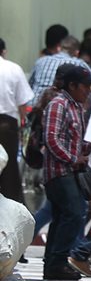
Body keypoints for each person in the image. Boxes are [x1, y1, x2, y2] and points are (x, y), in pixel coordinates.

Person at [42, 64, 91, 280]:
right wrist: (73, 159)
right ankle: (58, 261)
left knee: (61, 216)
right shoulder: (59, 104)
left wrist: (87, 148)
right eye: (84, 86)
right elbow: (51, 138)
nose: (88, 90)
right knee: (76, 212)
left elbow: (71, 140)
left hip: (69, 171)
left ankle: (53, 265)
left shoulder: (76, 107)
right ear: (72, 85)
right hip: (58, 172)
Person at [0, 37, 33, 204]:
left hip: (8, 124)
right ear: (3, 51)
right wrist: (23, 126)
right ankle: (11, 207)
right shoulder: (13, 69)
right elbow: (23, 103)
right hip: (7, 126)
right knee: (9, 169)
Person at [29, 24, 74, 100]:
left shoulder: (40, 61)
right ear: (61, 45)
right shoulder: (72, 62)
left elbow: (30, 85)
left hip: (33, 105)